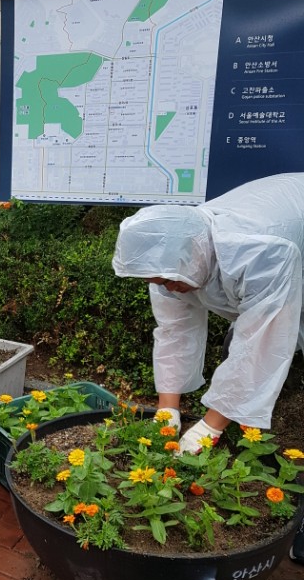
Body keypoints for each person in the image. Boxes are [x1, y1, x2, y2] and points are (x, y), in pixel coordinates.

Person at [111, 173, 304, 457]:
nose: (168, 288)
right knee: (241, 350)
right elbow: (174, 332)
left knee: (266, 346)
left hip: (288, 229)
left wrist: (208, 429)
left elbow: (260, 343)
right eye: (158, 282)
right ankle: (245, 418)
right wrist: (167, 410)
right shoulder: (169, 263)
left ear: (191, 253)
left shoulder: (259, 252)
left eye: (166, 281)